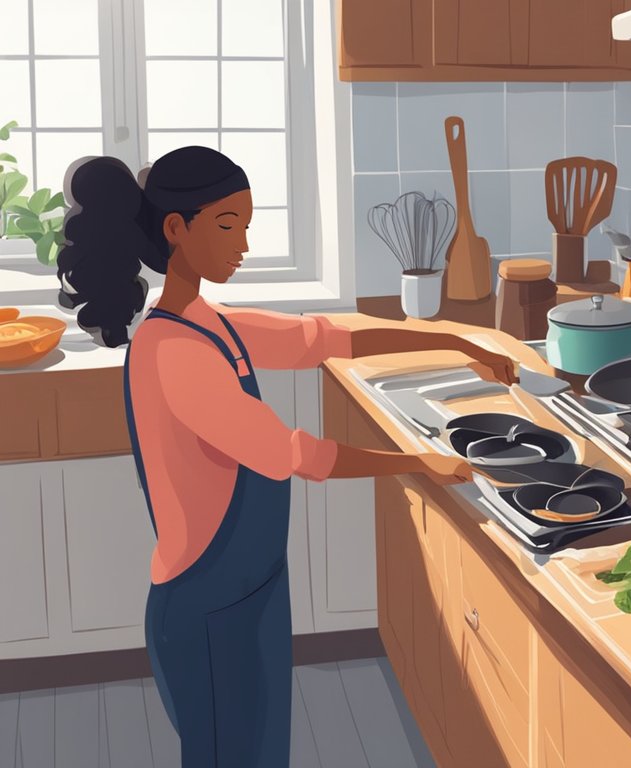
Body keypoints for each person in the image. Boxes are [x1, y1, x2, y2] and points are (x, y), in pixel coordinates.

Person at [56, 147, 515, 766]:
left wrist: (451, 340)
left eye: (247, 224)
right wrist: (413, 461)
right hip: (206, 607)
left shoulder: (210, 323)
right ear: (175, 229)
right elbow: (291, 453)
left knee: (263, 752)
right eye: (226, 225)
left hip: (256, 588)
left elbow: (323, 338)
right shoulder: (173, 351)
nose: (242, 243)